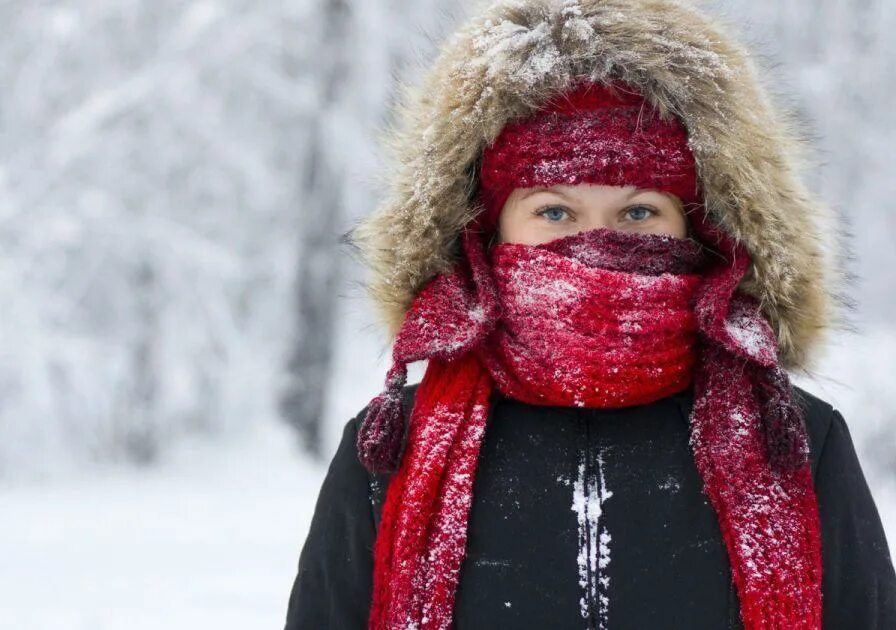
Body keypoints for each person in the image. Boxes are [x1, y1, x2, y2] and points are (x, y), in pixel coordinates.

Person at [284, 1, 896, 628]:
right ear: (488, 234)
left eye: (638, 213)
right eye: (554, 212)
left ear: (701, 229)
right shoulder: (394, 449)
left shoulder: (792, 438)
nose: (597, 242)